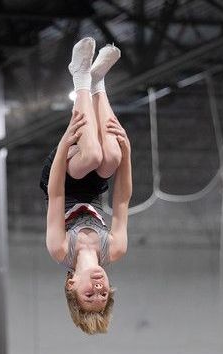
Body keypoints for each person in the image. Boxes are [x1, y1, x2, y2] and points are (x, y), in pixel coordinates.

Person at [40, 37, 132, 334]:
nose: (97, 287)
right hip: (92, 187)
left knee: (92, 154)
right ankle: (98, 83)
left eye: (89, 294)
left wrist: (66, 141)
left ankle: (79, 74)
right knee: (112, 157)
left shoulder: (60, 248)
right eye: (103, 294)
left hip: (60, 178)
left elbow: (55, 195)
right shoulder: (115, 249)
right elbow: (121, 201)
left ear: (71, 284)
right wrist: (127, 152)